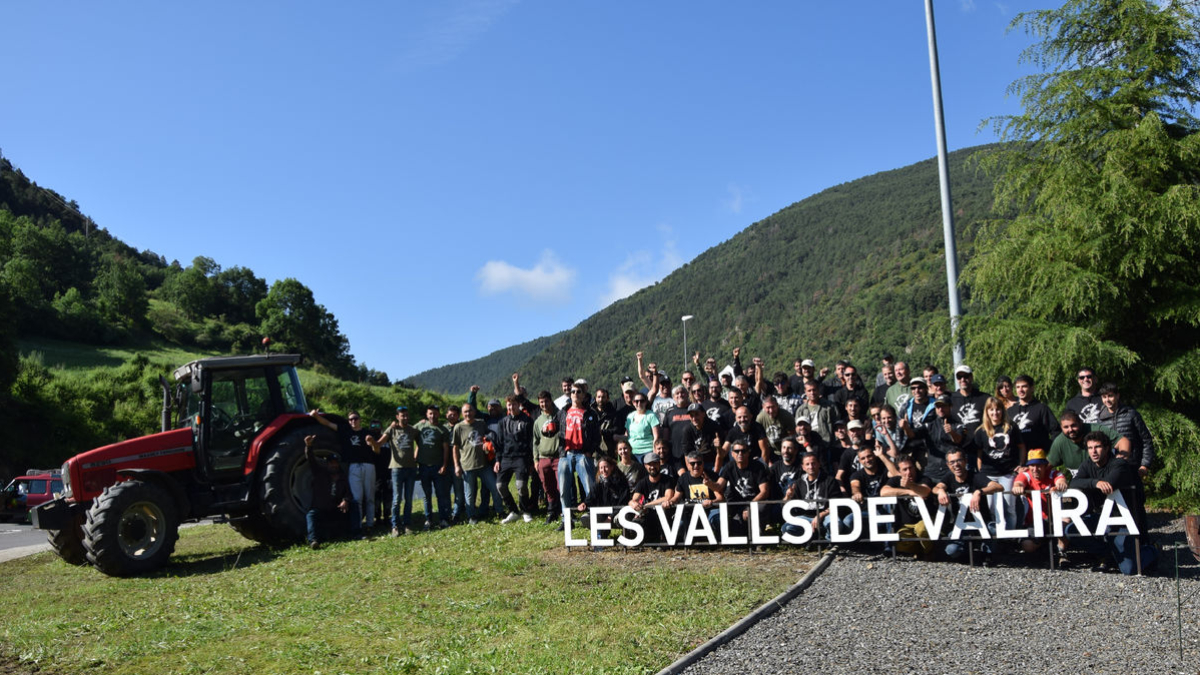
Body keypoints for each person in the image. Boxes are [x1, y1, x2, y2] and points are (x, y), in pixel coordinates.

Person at [1068, 431, 1155, 575]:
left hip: (1123, 520)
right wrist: (1095, 482)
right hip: (1102, 517)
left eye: (1097, 447)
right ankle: (1108, 554)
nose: (1093, 451)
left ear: (1107, 448)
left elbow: (1109, 484)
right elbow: (1074, 482)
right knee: (1071, 530)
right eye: (1090, 448)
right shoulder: (1087, 464)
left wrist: (1096, 483)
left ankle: (1152, 550)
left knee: (1129, 569)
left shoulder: (1119, 464)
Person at [307, 408, 376, 531]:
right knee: (357, 498)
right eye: (350, 419)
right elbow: (328, 423)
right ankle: (359, 525)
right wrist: (316, 416)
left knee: (370, 496)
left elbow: (377, 449)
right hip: (353, 466)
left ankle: (370, 524)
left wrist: (371, 442)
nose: (353, 421)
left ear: (360, 420)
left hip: (368, 464)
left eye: (355, 419)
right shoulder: (345, 431)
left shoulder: (367, 433)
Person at [933, 449, 1004, 562]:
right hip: (962, 525)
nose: (956, 465)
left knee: (995, 530)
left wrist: (979, 491)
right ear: (948, 465)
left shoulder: (975, 476)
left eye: (959, 460)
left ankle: (987, 554)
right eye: (952, 462)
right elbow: (935, 488)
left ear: (966, 461)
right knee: (951, 550)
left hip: (982, 523)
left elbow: (998, 487)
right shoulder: (949, 477)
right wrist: (940, 491)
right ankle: (966, 553)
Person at [972, 396, 1026, 530]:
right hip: (989, 475)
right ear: (987, 412)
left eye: (998, 409)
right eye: (991, 410)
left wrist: (1021, 463)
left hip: (1007, 473)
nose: (995, 413)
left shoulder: (1011, 427)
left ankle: (1011, 536)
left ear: (1002, 411)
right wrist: (981, 472)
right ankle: (997, 536)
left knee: (1009, 507)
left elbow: (1021, 447)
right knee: (992, 508)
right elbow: (979, 453)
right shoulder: (981, 431)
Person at [367, 406, 418, 536]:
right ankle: (395, 526)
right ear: (397, 417)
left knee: (408, 499)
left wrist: (415, 456)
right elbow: (378, 445)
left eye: (406, 415)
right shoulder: (392, 430)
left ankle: (406, 524)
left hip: (411, 468)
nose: (405, 417)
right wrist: (372, 442)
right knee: (396, 499)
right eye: (402, 415)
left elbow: (420, 443)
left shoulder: (412, 430)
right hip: (396, 469)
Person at [449, 403, 504, 525]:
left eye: (470, 411)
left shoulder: (481, 423)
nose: (468, 414)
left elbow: (488, 436)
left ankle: (500, 511)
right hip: (467, 466)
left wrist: (488, 443)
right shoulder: (458, 427)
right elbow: (455, 448)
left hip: (483, 465)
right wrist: (457, 466)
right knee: (469, 494)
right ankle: (471, 516)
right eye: (465, 412)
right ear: (462, 414)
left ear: (474, 412)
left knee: (495, 488)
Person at [1010, 449, 1069, 560]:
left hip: (1054, 519)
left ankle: (1062, 551)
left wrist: (1060, 485)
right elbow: (1018, 482)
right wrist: (1018, 486)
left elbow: (1061, 480)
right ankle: (1046, 546)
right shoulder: (1026, 475)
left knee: (1065, 521)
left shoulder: (1054, 473)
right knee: (1027, 545)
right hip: (1035, 522)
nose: (1035, 469)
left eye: (1039, 465)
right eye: (1032, 465)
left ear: (1045, 465)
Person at [555, 383, 600, 528]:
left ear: (583, 395)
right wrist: (546, 431)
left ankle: (594, 518)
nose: (575, 394)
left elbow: (596, 436)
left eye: (578, 391)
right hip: (566, 454)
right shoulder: (563, 412)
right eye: (573, 391)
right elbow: (554, 429)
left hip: (582, 454)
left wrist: (589, 451)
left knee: (589, 487)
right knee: (563, 489)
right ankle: (566, 520)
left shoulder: (590, 413)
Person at [303, 434, 359, 548]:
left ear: (338, 464)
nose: (333, 465)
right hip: (321, 509)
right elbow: (311, 460)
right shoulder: (319, 473)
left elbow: (348, 492)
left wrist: (345, 500)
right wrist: (308, 446)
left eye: (335, 462)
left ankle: (357, 533)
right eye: (331, 463)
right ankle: (313, 540)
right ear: (327, 464)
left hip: (336, 509)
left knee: (354, 504)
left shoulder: (342, 477)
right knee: (311, 514)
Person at [881, 455, 937, 558]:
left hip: (925, 521)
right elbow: (883, 492)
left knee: (922, 530)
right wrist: (909, 492)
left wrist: (911, 485)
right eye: (905, 469)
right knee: (897, 544)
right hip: (907, 525)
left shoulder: (924, 479)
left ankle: (929, 553)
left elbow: (925, 491)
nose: (908, 472)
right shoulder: (896, 481)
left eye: (911, 468)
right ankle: (919, 551)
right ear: (899, 472)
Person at [1095, 382, 1154, 477]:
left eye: (1110, 396)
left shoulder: (1131, 414)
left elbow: (1146, 440)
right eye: (1104, 397)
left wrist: (1144, 465)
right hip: (1110, 469)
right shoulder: (1100, 419)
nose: (1107, 400)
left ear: (1117, 396)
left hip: (1133, 467)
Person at [716, 441, 772, 535]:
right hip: (738, 504)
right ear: (732, 453)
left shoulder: (758, 466)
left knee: (757, 510)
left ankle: (759, 541)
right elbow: (719, 486)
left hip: (756, 502)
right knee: (737, 532)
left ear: (748, 452)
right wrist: (708, 483)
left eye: (743, 451)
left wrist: (750, 506)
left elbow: (764, 491)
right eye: (737, 451)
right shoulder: (729, 467)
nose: (740, 453)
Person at [1047, 410, 1128, 475]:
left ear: (1080, 423)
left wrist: (1122, 456)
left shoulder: (1096, 429)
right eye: (1066, 427)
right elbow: (1047, 465)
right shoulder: (1060, 442)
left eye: (1073, 425)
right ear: (1061, 428)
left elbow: (1123, 441)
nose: (1070, 430)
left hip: (1106, 474)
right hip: (1081, 481)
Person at [784, 452, 841, 538]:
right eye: (807, 464)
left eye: (813, 463)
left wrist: (820, 515)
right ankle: (812, 537)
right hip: (806, 517)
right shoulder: (798, 483)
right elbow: (785, 506)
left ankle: (830, 542)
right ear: (803, 467)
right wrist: (788, 497)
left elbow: (836, 503)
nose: (810, 466)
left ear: (819, 464)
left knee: (837, 524)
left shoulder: (830, 480)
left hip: (825, 515)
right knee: (786, 528)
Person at [497, 396, 535, 524]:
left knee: (521, 486)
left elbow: (531, 442)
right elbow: (499, 443)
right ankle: (513, 511)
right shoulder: (503, 422)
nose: (511, 407)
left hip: (522, 458)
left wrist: (531, 462)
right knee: (500, 486)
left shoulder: (527, 421)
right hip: (506, 458)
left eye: (513, 404)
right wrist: (498, 460)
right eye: (508, 405)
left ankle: (525, 511)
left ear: (518, 405)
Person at [414, 405, 452, 530]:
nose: (432, 416)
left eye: (435, 413)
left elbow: (446, 449)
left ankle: (443, 519)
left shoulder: (443, 430)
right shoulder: (420, 427)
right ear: (426, 414)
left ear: (439, 414)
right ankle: (428, 520)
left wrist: (444, 465)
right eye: (430, 413)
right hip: (423, 466)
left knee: (441, 494)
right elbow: (407, 431)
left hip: (438, 466)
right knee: (426, 495)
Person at [916, 394, 965, 484]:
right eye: (938, 407)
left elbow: (958, 440)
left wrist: (951, 432)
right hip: (931, 470)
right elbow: (913, 434)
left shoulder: (958, 424)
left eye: (943, 406)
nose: (940, 409)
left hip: (950, 471)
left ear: (950, 407)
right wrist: (906, 428)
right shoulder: (929, 425)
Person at [628, 452, 676, 542]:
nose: (652, 467)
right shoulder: (642, 482)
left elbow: (668, 497)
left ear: (659, 464)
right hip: (649, 515)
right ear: (645, 466)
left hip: (665, 514)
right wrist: (633, 503)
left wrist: (647, 505)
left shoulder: (668, 480)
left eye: (655, 464)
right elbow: (634, 499)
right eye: (649, 464)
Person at [532, 391, 564, 524]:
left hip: (558, 457)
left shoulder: (560, 415)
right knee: (547, 487)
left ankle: (564, 512)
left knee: (561, 486)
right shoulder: (538, 421)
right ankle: (551, 512)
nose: (544, 404)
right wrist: (535, 459)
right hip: (543, 457)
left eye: (546, 401)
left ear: (551, 401)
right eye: (541, 402)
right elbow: (535, 441)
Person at [1006, 375, 1058, 455]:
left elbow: (1056, 431)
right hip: (1016, 460)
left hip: (1038, 459)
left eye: (1024, 386)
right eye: (1018, 387)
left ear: (1032, 388)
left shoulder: (1041, 408)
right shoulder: (1009, 412)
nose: (1020, 390)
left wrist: (1049, 451)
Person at [577, 455, 630, 533]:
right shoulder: (597, 482)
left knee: (624, 516)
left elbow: (623, 502)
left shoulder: (621, 482)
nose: (603, 470)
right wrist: (584, 503)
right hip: (602, 513)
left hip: (617, 512)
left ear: (612, 467)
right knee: (587, 517)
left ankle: (626, 534)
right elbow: (591, 497)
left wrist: (610, 516)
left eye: (606, 467)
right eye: (601, 468)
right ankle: (602, 534)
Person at [951, 365, 989, 436]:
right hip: (959, 444)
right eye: (959, 377)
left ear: (971, 377)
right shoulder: (951, 399)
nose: (963, 379)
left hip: (980, 443)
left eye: (966, 376)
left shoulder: (984, 398)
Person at [756, 395, 795, 463]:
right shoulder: (760, 418)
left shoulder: (786, 416)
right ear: (763, 407)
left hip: (785, 449)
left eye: (773, 407)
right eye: (768, 408)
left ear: (777, 406)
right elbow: (761, 441)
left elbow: (791, 437)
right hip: (770, 450)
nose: (771, 411)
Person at [624, 391, 661, 461]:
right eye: (636, 401)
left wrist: (654, 452)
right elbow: (628, 435)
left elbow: (656, 436)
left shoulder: (651, 416)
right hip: (632, 452)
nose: (639, 403)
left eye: (642, 401)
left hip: (647, 451)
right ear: (633, 402)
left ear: (646, 402)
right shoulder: (630, 416)